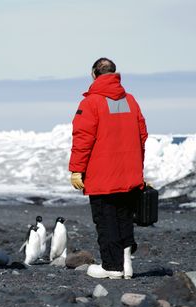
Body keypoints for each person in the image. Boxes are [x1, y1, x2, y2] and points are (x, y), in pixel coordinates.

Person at [69, 58, 148, 279]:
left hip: (102, 176)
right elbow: (142, 136)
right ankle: (126, 264)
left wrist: (76, 169)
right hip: (129, 174)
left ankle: (111, 267)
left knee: (106, 219)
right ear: (115, 73)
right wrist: (137, 169)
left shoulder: (91, 103)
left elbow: (83, 138)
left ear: (94, 74)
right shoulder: (131, 101)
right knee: (124, 216)